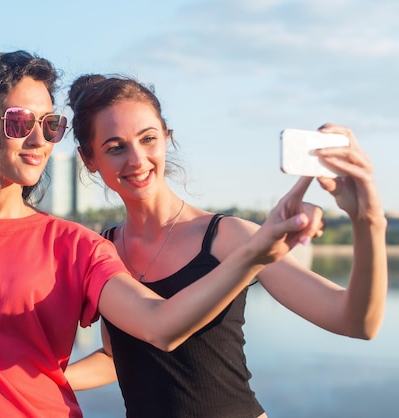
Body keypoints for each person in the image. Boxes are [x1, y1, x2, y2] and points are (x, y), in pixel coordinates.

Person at [0, 51, 323, 418]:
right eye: (21, 121)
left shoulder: (75, 246)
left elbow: (162, 325)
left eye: (51, 124)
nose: (40, 139)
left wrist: (254, 252)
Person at [64, 74, 388, 418]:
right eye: (116, 148)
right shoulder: (103, 250)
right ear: (89, 160)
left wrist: (368, 219)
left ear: (167, 138)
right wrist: (24, 380)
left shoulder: (230, 237)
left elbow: (356, 322)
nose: (138, 160)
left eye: (148, 139)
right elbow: (118, 359)